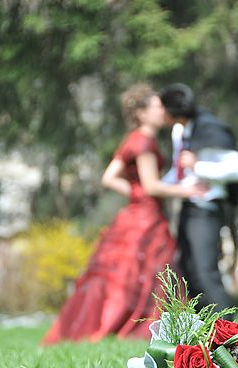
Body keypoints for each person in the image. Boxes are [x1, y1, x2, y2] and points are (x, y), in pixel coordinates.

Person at [42, 83, 205, 344]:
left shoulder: (133, 138)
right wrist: (188, 191)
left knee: (128, 273)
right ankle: (139, 327)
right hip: (146, 218)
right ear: (140, 112)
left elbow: (109, 177)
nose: (162, 110)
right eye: (156, 106)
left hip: (133, 215)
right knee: (152, 271)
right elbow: (151, 185)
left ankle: (104, 326)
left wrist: (135, 192)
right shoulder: (144, 142)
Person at [160, 83, 238, 313]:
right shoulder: (179, 131)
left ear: (172, 111)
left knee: (205, 270)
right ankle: (202, 334)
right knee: (188, 271)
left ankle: (229, 336)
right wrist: (157, 186)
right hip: (189, 206)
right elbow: (179, 172)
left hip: (207, 208)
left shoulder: (209, 128)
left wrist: (198, 166)